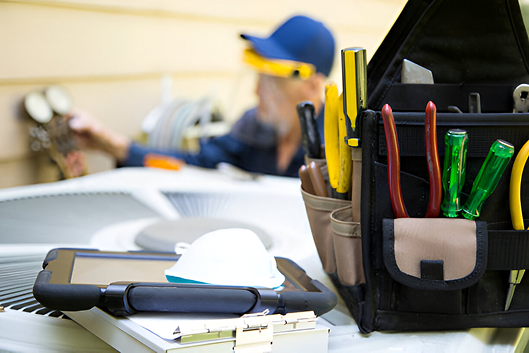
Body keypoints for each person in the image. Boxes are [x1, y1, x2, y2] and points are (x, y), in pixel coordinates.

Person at [69, 15, 335, 177]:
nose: (256, 91)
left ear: (312, 86)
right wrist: (114, 145)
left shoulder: (340, 148)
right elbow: (194, 165)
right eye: (259, 79)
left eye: (272, 83)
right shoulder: (254, 128)